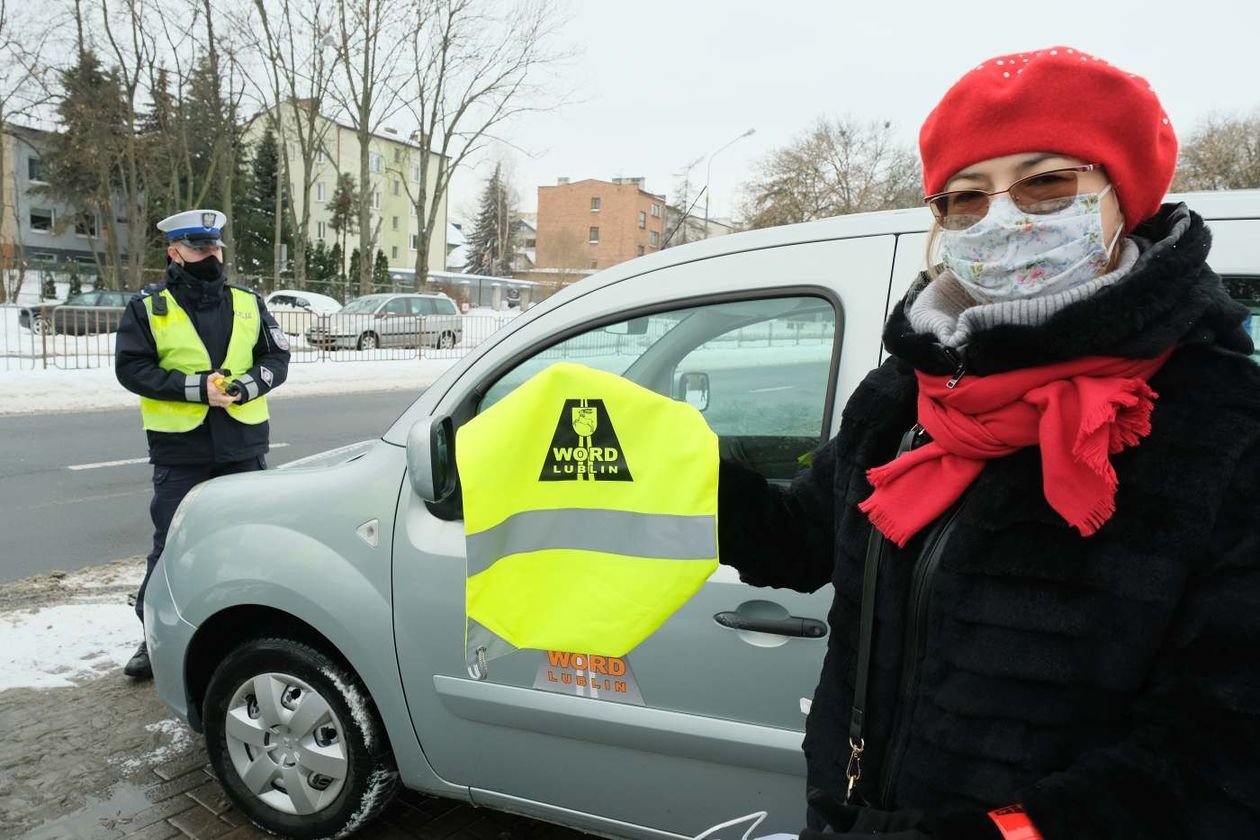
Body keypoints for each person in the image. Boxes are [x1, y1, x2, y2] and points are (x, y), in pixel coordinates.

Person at [718, 48, 1260, 839]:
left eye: (1045, 183)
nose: (1002, 219)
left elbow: (1221, 753)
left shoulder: (1224, 426)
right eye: (964, 198)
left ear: (1125, 196)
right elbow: (803, 539)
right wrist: (658, 465)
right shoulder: (906, 391)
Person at [115, 209, 290, 679]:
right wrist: (196, 389)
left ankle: (251, 635)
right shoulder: (149, 306)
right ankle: (153, 641)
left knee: (251, 544)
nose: (209, 255)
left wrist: (249, 386)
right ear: (174, 252)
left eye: (214, 246)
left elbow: (277, 357)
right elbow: (131, 369)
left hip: (243, 446)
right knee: (172, 546)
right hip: (181, 451)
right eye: (198, 247)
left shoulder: (249, 301)